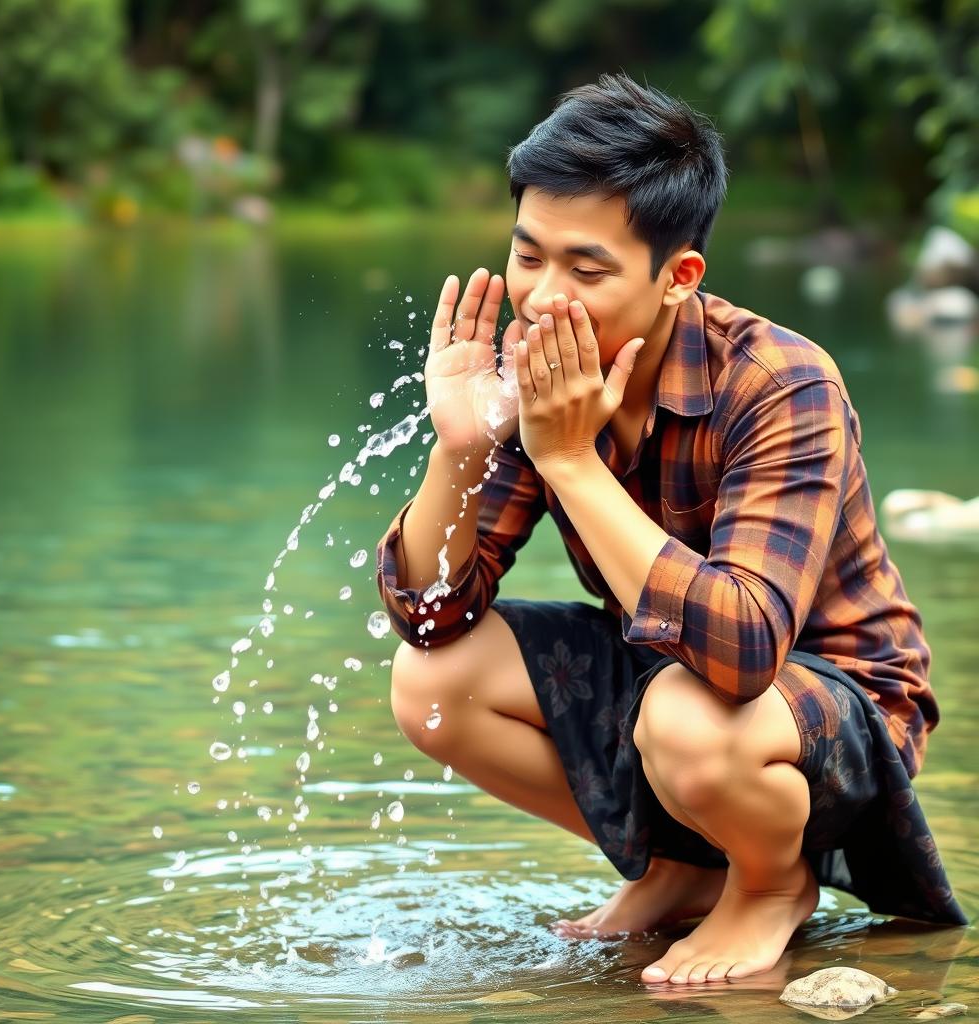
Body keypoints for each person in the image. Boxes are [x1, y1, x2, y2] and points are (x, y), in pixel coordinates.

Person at [374, 73, 966, 986]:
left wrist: (569, 459)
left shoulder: (782, 384)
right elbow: (429, 617)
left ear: (678, 275)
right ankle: (681, 868)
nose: (540, 298)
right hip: (671, 679)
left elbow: (743, 651)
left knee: (690, 713)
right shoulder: (543, 371)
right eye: (528, 256)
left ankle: (771, 886)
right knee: (432, 682)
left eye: (587, 270)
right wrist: (460, 451)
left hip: (835, 706)